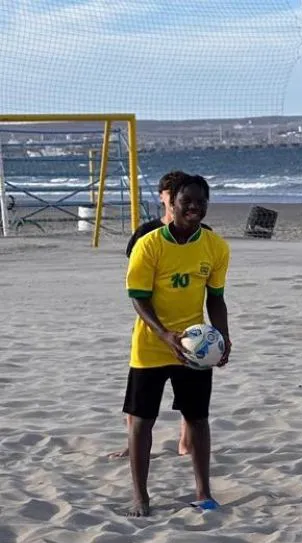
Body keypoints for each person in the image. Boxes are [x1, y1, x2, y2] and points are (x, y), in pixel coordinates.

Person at [123, 174, 231, 517]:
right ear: (172, 204)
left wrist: (223, 336)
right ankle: (140, 496)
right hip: (152, 346)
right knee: (142, 421)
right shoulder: (149, 244)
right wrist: (164, 334)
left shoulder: (215, 247)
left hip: (193, 349)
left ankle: (204, 492)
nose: (194, 208)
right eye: (187, 201)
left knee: (198, 419)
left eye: (201, 202)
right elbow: (138, 298)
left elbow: (216, 298)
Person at [113, 171, 215, 459]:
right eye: (173, 195)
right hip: (151, 329)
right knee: (140, 402)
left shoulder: (204, 236)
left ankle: (186, 443)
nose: (181, 203)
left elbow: (212, 290)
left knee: (193, 403)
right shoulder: (146, 235)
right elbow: (137, 286)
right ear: (164, 198)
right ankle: (131, 445)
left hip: (189, 331)